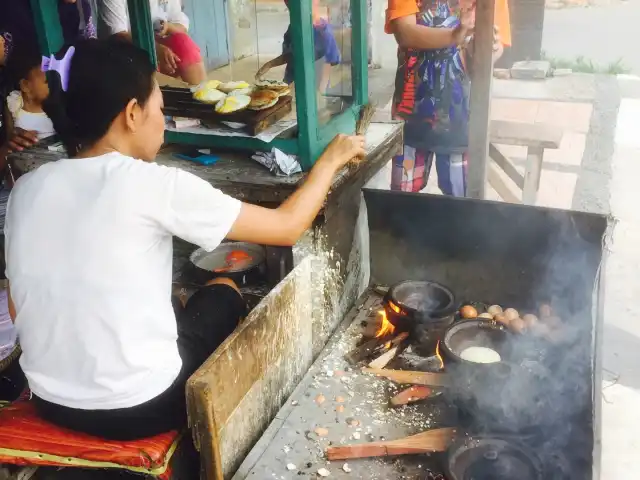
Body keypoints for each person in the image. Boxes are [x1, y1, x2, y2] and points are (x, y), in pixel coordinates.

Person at [4, 38, 364, 440]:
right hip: (142, 407)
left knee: (167, 301)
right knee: (224, 290)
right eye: (161, 109)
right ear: (132, 113)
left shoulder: (27, 189)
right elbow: (287, 226)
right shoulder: (153, 184)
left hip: (49, 400)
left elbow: (19, 310)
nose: (163, 121)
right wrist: (332, 159)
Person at [385, 0, 510, 195]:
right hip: (410, 125)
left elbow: (494, 48)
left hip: (462, 125)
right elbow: (404, 32)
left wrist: (489, 50)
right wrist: (455, 35)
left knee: (462, 207)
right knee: (403, 199)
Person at [95, 0, 206, 85]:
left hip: (159, 47)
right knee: (146, 60)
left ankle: (202, 100)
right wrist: (155, 49)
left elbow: (180, 24)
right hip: (125, 52)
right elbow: (118, 35)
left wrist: (168, 27)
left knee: (183, 42)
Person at [255, 0, 341, 93]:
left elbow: (330, 61)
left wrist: (320, 88)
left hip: (312, 89)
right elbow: (289, 55)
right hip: (291, 82)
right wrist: (269, 64)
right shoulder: (293, 27)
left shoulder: (323, 31)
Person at [5, 47, 55, 140]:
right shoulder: (14, 104)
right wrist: (16, 132)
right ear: (25, 86)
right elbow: (9, 136)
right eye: (47, 81)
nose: (54, 85)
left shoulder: (58, 105)